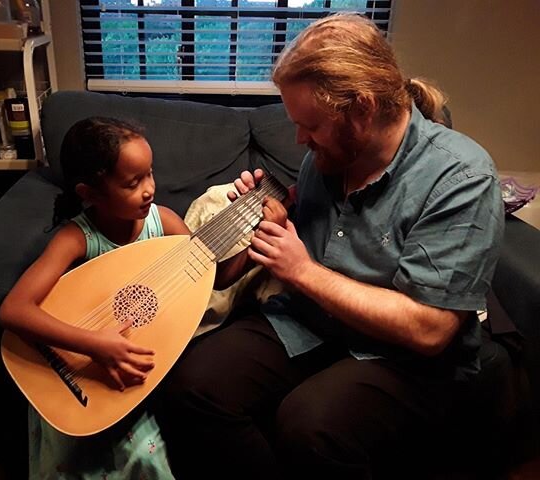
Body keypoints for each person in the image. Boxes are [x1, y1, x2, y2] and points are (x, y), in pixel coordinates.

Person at [158, 13, 505, 480]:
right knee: (191, 384)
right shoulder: (324, 159)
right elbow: (306, 243)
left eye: (311, 125)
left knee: (309, 425)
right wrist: (272, 224)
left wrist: (301, 271)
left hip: (405, 356)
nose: (300, 139)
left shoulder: (460, 178)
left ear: (362, 109)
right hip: (314, 322)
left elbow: (430, 330)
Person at [0, 117, 286, 479]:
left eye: (150, 174)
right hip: (82, 377)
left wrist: (261, 234)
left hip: (135, 379)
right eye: (133, 182)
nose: (149, 189)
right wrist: (94, 344)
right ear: (89, 193)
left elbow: (214, 275)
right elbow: (14, 310)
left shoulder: (163, 221)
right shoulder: (76, 238)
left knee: (149, 460)